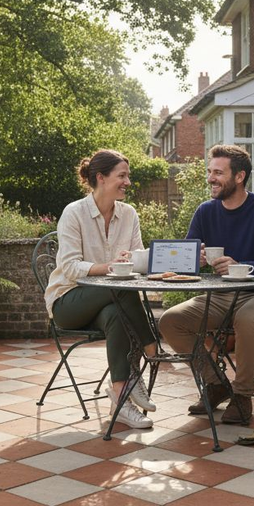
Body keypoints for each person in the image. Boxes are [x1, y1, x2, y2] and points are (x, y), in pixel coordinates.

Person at [158, 144, 254, 425]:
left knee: (246, 318)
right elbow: (184, 258)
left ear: (240, 176)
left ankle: (242, 396)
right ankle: (216, 382)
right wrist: (197, 257)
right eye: (210, 171)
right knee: (170, 321)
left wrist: (241, 266)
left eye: (218, 172)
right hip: (219, 296)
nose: (210, 178)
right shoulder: (205, 212)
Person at [44, 149, 158, 429]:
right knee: (120, 286)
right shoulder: (74, 213)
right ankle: (152, 348)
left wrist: (142, 261)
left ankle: (121, 395)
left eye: (127, 176)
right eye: (122, 176)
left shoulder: (129, 214)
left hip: (108, 302)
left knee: (117, 313)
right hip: (68, 302)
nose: (127, 182)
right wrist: (110, 266)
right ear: (101, 178)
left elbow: (136, 257)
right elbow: (70, 267)